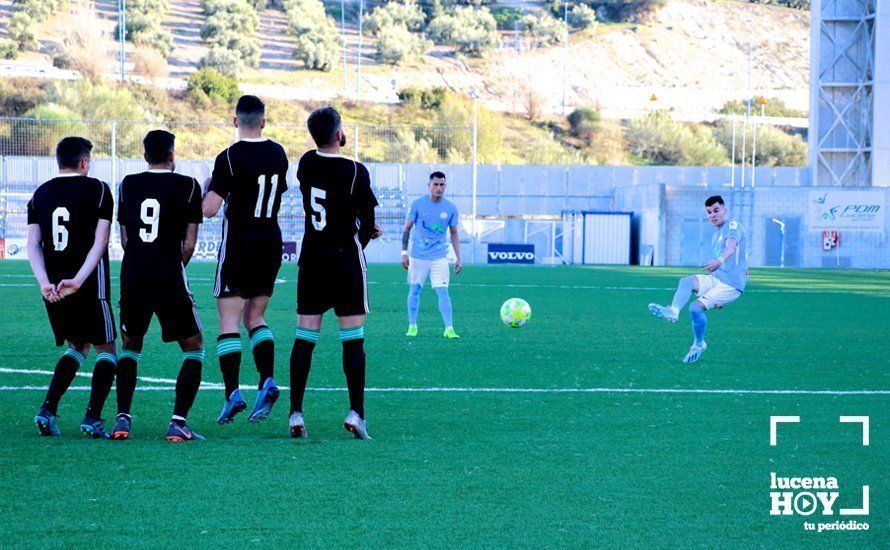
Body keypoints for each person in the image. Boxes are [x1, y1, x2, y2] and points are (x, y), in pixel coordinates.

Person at [289, 106, 381, 440]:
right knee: (353, 339)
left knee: (305, 337)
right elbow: (368, 226)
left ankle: (296, 413)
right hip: (344, 261)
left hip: (312, 259)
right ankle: (357, 413)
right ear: (339, 134)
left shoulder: (305, 164)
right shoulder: (356, 171)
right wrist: (359, 239)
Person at [202, 95, 289, 424]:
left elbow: (210, 208)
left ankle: (232, 393)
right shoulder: (279, 153)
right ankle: (267, 379)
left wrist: (204, 190)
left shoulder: (229, 156)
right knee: (256, 316)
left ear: (235, 122)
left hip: (240, 241)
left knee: (228, 320)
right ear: (263, 121)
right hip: (270, 239)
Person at [114, 130, 205, 442]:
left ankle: (122, 421)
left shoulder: (127, 184)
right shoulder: (188, 185)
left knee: (130, 345)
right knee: (193, 346)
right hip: (168, 274)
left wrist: (143, 260)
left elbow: (125, 239)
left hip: (134, 274)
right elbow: (190, 244)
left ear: (144, 156)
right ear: (171, 155)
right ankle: (178, 422)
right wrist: (170, 266)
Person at [28, 137, 117, 438]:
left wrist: (43, 282)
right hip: (87, 283)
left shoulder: (40, 194)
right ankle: (92, 418)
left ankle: (48, 409)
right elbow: (100, 241)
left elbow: (33, 244)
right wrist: (79, 280)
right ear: (84, 162)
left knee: (77, 345)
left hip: (54, 285)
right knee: (107, 349)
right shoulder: (99, 189)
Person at [648, 195, 748, 363]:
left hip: (731, 284)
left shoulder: (733, 225)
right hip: (718, 279)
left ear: (725, 210)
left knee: (695, 308)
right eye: (709, 212)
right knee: (686, 281)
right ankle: (673, 311)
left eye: (716, 210)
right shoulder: (715, 235)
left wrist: (719, 261)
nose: (712, 215)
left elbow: (731, 247)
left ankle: (699, 344)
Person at [401, 171, 462, 338]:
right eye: (435, 184)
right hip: (418, 256)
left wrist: (458, 257)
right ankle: (412, 326)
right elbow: (407, 229)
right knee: (415, 290)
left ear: (445, 186)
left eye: (442, 185)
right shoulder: (418, 205)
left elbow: (454, 233)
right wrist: (404, 253)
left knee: (443, 291)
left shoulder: (450, 208)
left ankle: (449, 328)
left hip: (439, 257)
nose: (439, 188)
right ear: (429, 185)